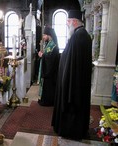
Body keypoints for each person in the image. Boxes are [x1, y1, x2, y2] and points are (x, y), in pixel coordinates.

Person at [51, 10, 92, 140]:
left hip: (73, 84)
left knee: (72, 108)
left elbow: (72, 64)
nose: (67, 24)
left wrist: (65, 81)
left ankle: (71, 131)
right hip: (77, 81)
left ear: (74, 21)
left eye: (68, 22)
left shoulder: (77, 37)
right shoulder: (83, 35)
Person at [37, 26, 60, 106]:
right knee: (45, 86)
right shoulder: (49, 44)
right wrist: (42, 55)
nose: (43, 37)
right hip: (47, 70)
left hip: (50, 72)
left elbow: (51, 58)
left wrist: (42, 56)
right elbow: (47, 55)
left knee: (49, 86)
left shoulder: (53, 45)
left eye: (44, 35)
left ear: (48, 35)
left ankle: (48, 101)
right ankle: (44, 99)